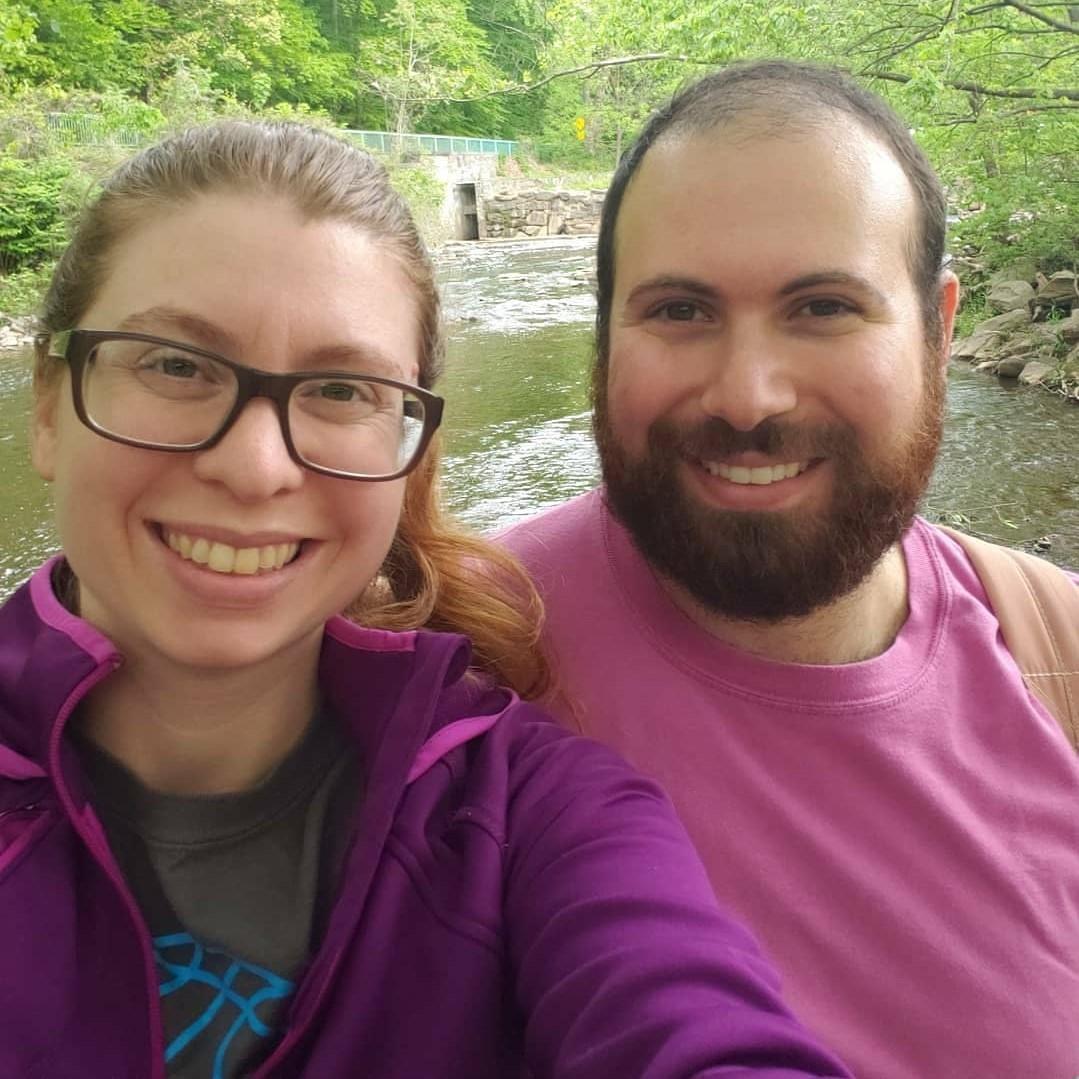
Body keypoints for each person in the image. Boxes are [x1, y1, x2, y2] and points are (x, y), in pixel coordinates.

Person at [0, 120, 852, 1079]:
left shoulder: (530, 819)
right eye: (175, 365)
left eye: (340, 389)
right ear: (47, 406)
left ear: (412, 460)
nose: (251, 465)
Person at [500, 60, 1079, 1079]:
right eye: (678, 310)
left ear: (939, 329)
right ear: (601, 335)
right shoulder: (455, 647)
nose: (747, 395)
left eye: (820, 307)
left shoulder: (1059, 655)